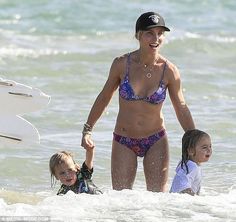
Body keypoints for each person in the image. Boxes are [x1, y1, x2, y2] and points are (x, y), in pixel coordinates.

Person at [81, 11, 195, 192]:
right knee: (121, 198)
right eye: (150, 32)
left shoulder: (169, 71)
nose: (156, 38)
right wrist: (87, 130)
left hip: (155, 139)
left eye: (160, 33)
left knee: (157, 200)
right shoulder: (121, 64)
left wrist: (194, 139)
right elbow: (104, 98)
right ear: (138, 35)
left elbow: (181, 107)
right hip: (124, 139)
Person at [170, 129, 212, 195]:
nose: (209, 150)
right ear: (191, 151)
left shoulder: (188, 164)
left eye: (210, 146)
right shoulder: (192, 166)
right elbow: (184, 187)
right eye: (204, 147)